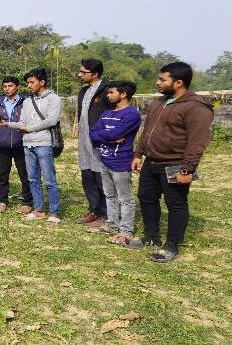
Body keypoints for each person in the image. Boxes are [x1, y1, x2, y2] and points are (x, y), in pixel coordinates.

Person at [130, 62, 214, 263]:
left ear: (178, 82)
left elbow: (197, 142)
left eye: (162, 79)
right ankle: (151, 237)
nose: (158, 83)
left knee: (176, 205)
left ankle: (171, 245)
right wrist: (138, 154)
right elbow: (147, 131)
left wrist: (187, 169)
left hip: (175, 163)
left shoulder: (196, 107)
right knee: (146, 198)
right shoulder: (159, 102)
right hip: (152, 162)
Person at [0, 68, 63, 223]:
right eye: (28, 83)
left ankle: (54, 212)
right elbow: (23, 123)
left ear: (42, 82)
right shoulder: (27, 101)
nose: (29, 85)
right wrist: (6, 123)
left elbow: (51, 120)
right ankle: (39, 209)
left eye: (32, 82)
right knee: (33, 179)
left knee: (49, 180)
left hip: (44, 143)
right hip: (28, 144)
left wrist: (30, 128)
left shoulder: (53, 99)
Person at [88, 81, 142, 244]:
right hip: (105, 159)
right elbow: (93, 134)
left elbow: (115, 133)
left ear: (123, 94)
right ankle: (112, 224)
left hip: (121, 162)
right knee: (110, 195)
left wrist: (106, 135)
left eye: (111, 92)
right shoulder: (106, 113)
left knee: (124, 198)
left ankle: (126, 231)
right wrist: (109, 136)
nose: (108, 95)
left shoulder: (131, 114)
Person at [0, 76, 33, 214]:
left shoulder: (26, 103)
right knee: (2, 175)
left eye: (10, 86)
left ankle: (27, 202)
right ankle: (2, 201)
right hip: (3, 145)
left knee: (25, 174)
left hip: (21, 144)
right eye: (5, 86)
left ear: (17, 87)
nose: (7, 89)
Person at [76, 58, 111, 227]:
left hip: (100, 140)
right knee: (87, 174)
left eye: (83, 72)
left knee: (100, 175)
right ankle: (94, 210)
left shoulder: (107, 90)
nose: (79, 75)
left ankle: (106, 213)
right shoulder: (84, 91)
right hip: (84, 139)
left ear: (95, 74)